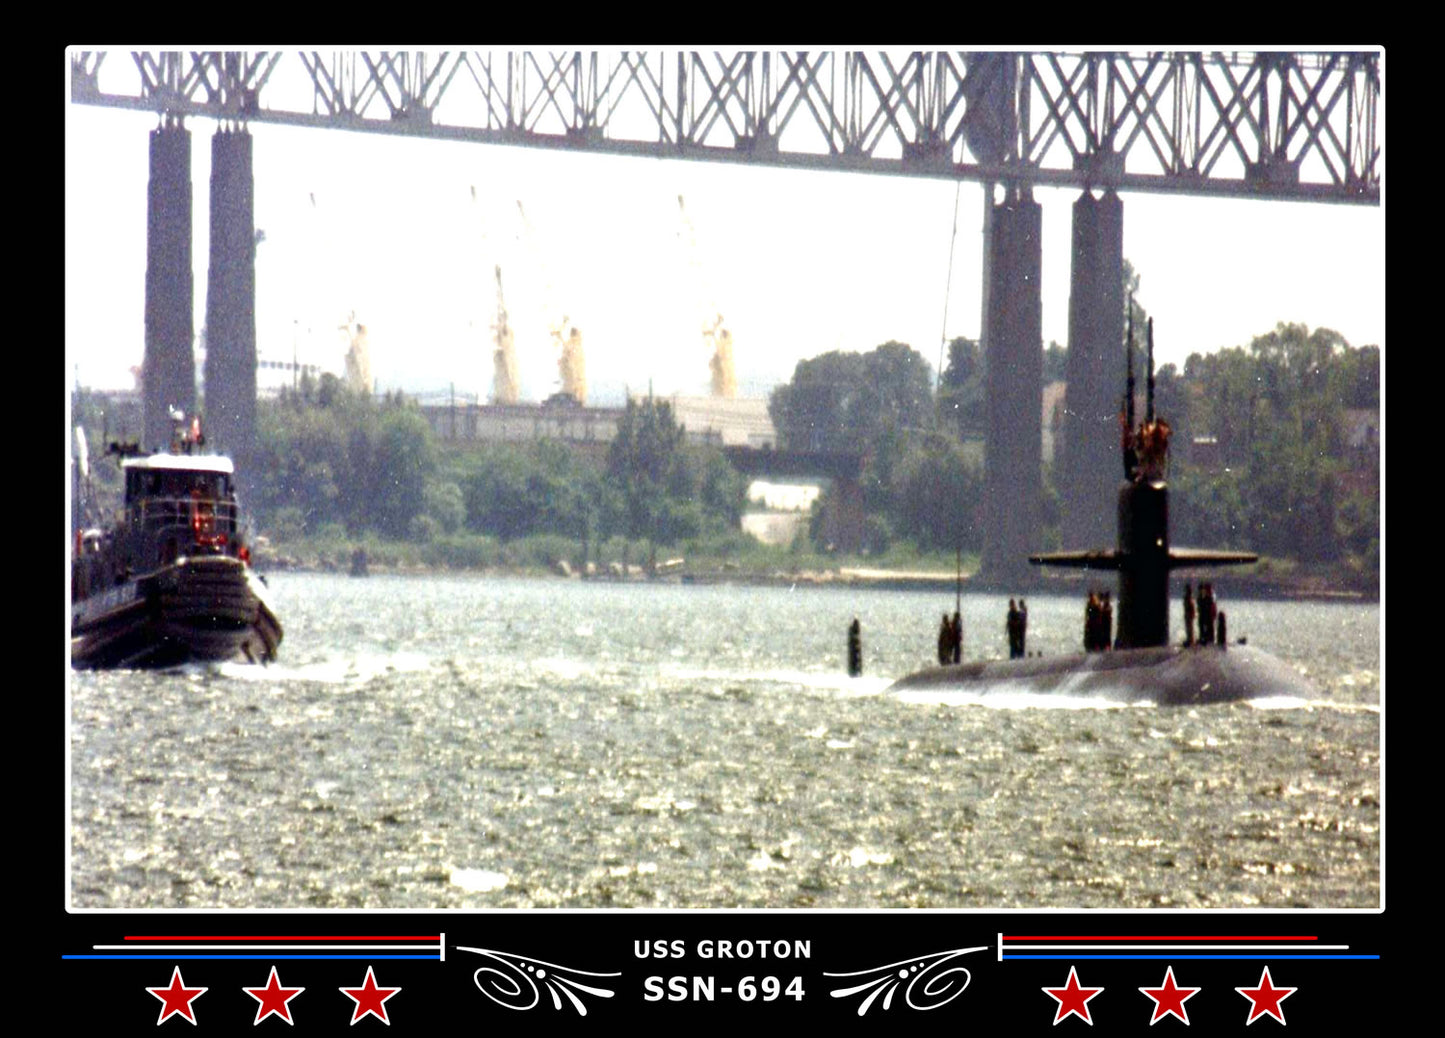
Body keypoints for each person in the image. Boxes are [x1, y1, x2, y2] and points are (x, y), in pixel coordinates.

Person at [1183, 583, 1196, 647]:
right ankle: (1190, 640)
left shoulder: (1188, 598)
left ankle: (1190, 640)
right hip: (1188, 614)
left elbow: (1190, 606)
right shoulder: (1189, 597)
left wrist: (1191, 614)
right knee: (1189, 628)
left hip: (1189, 615)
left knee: (1189, 628)